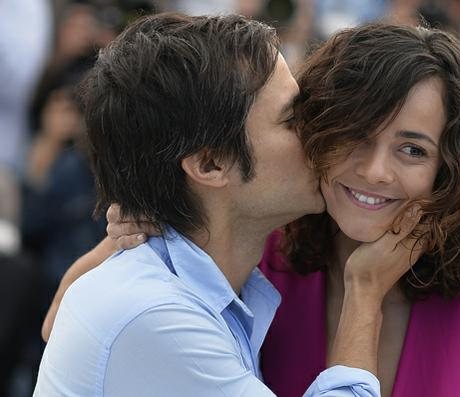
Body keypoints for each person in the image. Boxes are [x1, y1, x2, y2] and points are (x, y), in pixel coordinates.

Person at [103, 23, 460, 397]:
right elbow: (70, 316)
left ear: (449, 166)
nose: (376, 171)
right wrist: (132, 230)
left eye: (412, 150)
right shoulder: (270, 242)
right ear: (317, 130)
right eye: (357, 136)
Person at [35, 13, 423, 396]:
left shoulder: (176, 285)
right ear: (210, 163)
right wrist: (365, 294)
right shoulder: (155, 314)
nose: (320, 132)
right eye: (291, 119)